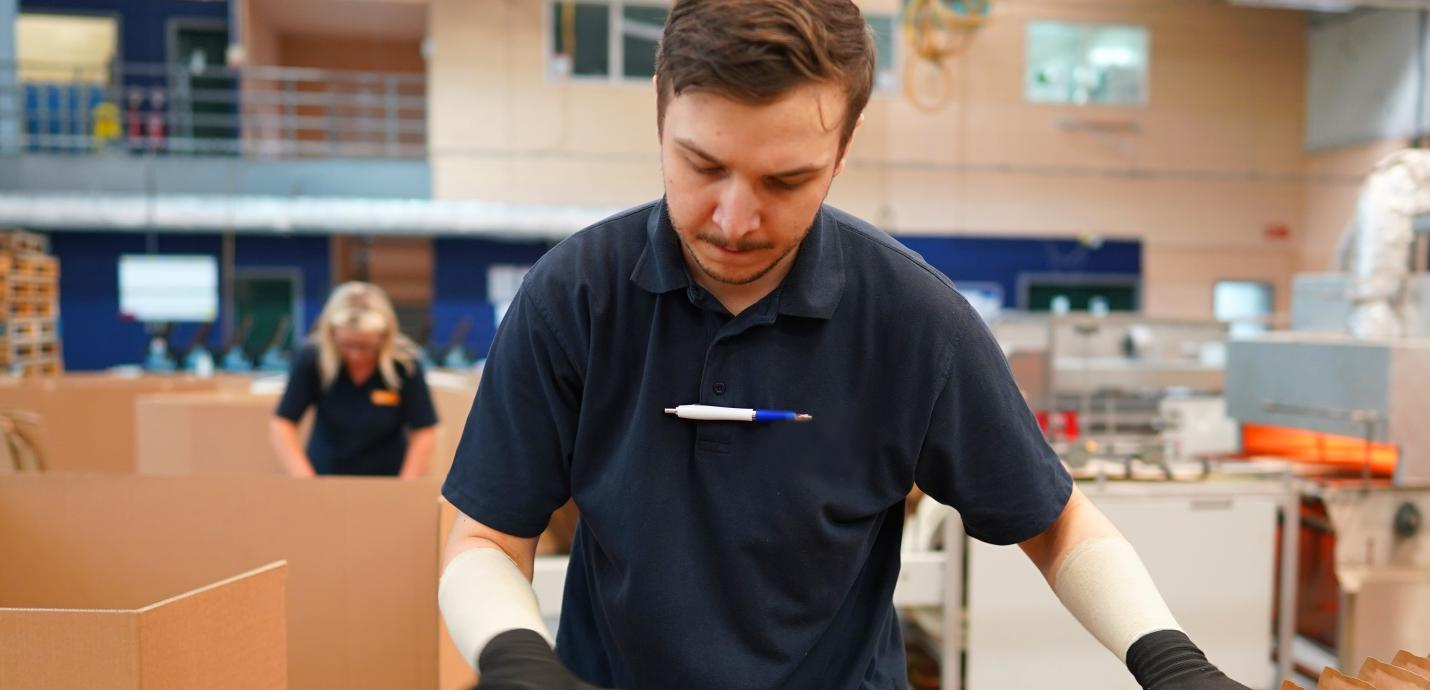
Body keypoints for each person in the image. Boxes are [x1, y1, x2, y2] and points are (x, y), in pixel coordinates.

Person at [438, 2, 1251, 688]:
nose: (733, 219)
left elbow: (1058, 524)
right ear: (661, 111)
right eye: (702, 164)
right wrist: (517, 663)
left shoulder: (914, 320)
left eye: (784, 181)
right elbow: (484, 535)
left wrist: (1173, 664)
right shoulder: (573, 298)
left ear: (843, 152)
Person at [270, 281, 438, 478]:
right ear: (332, 335)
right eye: (347, 345)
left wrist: (405, 485)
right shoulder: (312, 359)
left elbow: (424, 430)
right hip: (326, 477)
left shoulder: (405, 364)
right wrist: (306, 480)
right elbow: (283, 423)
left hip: (386, 480)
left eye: (365, 346)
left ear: (383, 337)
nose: (356, 354)